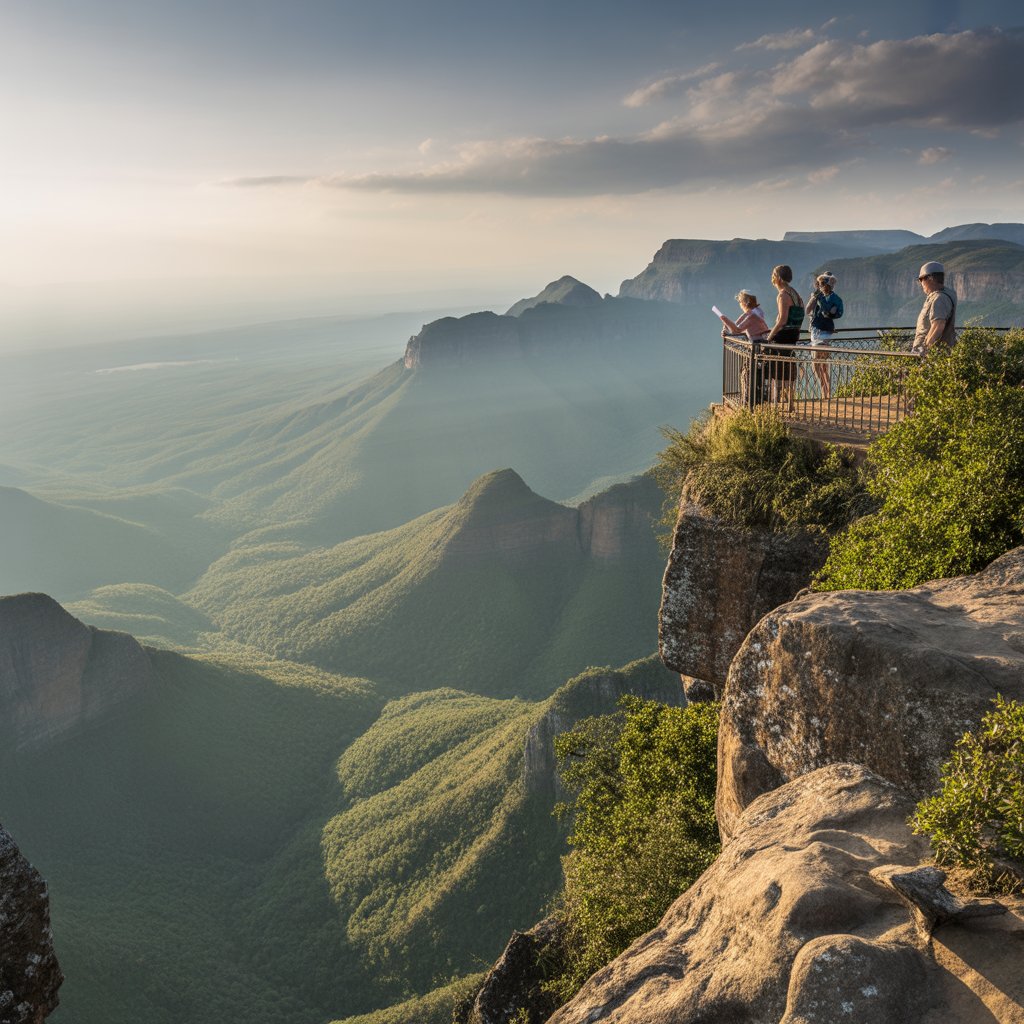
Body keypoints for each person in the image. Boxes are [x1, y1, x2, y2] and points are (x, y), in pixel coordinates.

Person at [764, 264, 804, 406]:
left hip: (783, 336)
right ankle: (790, 402)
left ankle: (775, 402)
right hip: (793, 335)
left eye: (773, 275)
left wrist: (769, 337)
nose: (772, 279)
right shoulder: (795, 294)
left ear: (779, 278)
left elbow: (782, 320)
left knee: (776, 370)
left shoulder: (783, 295)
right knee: (787, 368)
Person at [805, 271, 843, 399]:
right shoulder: (835, 297)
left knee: (816, 365)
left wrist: (814, 298)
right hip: (827, 334)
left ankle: (823, 391)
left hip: (817, 335)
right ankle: (827, 393)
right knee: (824, 366)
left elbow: (807, 310)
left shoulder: (818, 296)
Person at [913, 260, 957, 354]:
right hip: (936, 352)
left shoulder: (939, 298)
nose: (920, 283)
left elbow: (938, 325)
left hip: (932, 354)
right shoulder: (946, 294)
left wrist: (925, 349)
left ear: (930, 279)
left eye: (921, 279)